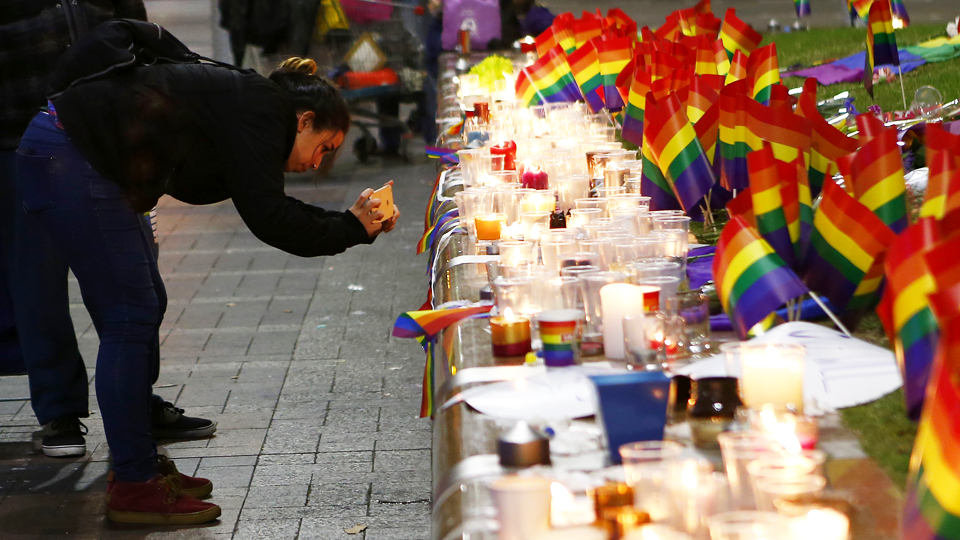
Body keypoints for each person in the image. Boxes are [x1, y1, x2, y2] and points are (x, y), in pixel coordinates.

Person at [19, 19, 399, 524]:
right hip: (74, 158)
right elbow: (272, 218)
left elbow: (260, 203)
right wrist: (352, 227)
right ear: (303, 120)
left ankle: (139, 466)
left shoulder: (246, 104)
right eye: (325, 148)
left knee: (143, 303)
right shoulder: (262, 110)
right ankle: (134, 485)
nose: (317, 164)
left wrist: (347, 225)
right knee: (129, 316)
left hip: (79, 157)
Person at [0, 0, 219, 460]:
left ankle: (136, 402)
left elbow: (137, 32)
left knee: (135, 282)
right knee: (36, 284)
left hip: (111, 135)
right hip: (20, 137)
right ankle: (59, 410)